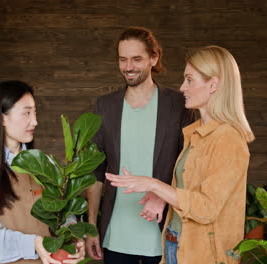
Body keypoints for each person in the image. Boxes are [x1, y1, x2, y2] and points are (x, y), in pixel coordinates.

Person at [106, 45, 255, 264]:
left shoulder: (228, 139)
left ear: (213, 84)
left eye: (190, 80)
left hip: (201, 254)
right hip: (176, 242)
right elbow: (190, 190)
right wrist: (162, 196)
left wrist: (154, 185)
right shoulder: (195, 133)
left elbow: (207, 208)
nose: (182, 87)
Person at [85, 27, 192, 264]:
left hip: (164, 232)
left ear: (154, 58)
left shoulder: (178, 104)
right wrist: (91, 225)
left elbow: (189, 164)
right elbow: (96, 172)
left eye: (136, 59)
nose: (128, 67)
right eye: (123, 60)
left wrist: (164, 196)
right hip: (116, 235)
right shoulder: (105, 106)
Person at [0, 81, 85, 264]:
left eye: (35, 112)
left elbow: (63, 212)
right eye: (26, 113)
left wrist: (73, 235)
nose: (35, 121)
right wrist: (33, 243)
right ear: (2, 118)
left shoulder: (44, 163)